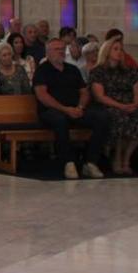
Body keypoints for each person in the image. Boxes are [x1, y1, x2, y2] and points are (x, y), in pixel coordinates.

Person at [33, 38, 110, 179]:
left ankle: (90, 162)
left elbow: (84, 92)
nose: (61, 52)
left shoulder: (72, 70)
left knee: (102, 117)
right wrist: (65, 109)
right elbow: (42, 96)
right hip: (52, 111)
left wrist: (80, 107)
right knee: (60, 120)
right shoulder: (42, 71)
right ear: (48, 52)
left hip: (75, 109)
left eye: (63, 49)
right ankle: (68, 162)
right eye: (57, 49)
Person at [88, 38, 138, 175]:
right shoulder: (98, 71)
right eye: (115, 49)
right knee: (120, 119)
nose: (119, 52)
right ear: (107, 51)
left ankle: (127, 158)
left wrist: (135, 104)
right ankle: (117, 157)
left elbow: (137, 90)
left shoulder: (128, 71)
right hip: (109, 105)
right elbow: (100, 96)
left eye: (121, 49)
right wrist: (121, 106)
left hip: (129, 104)